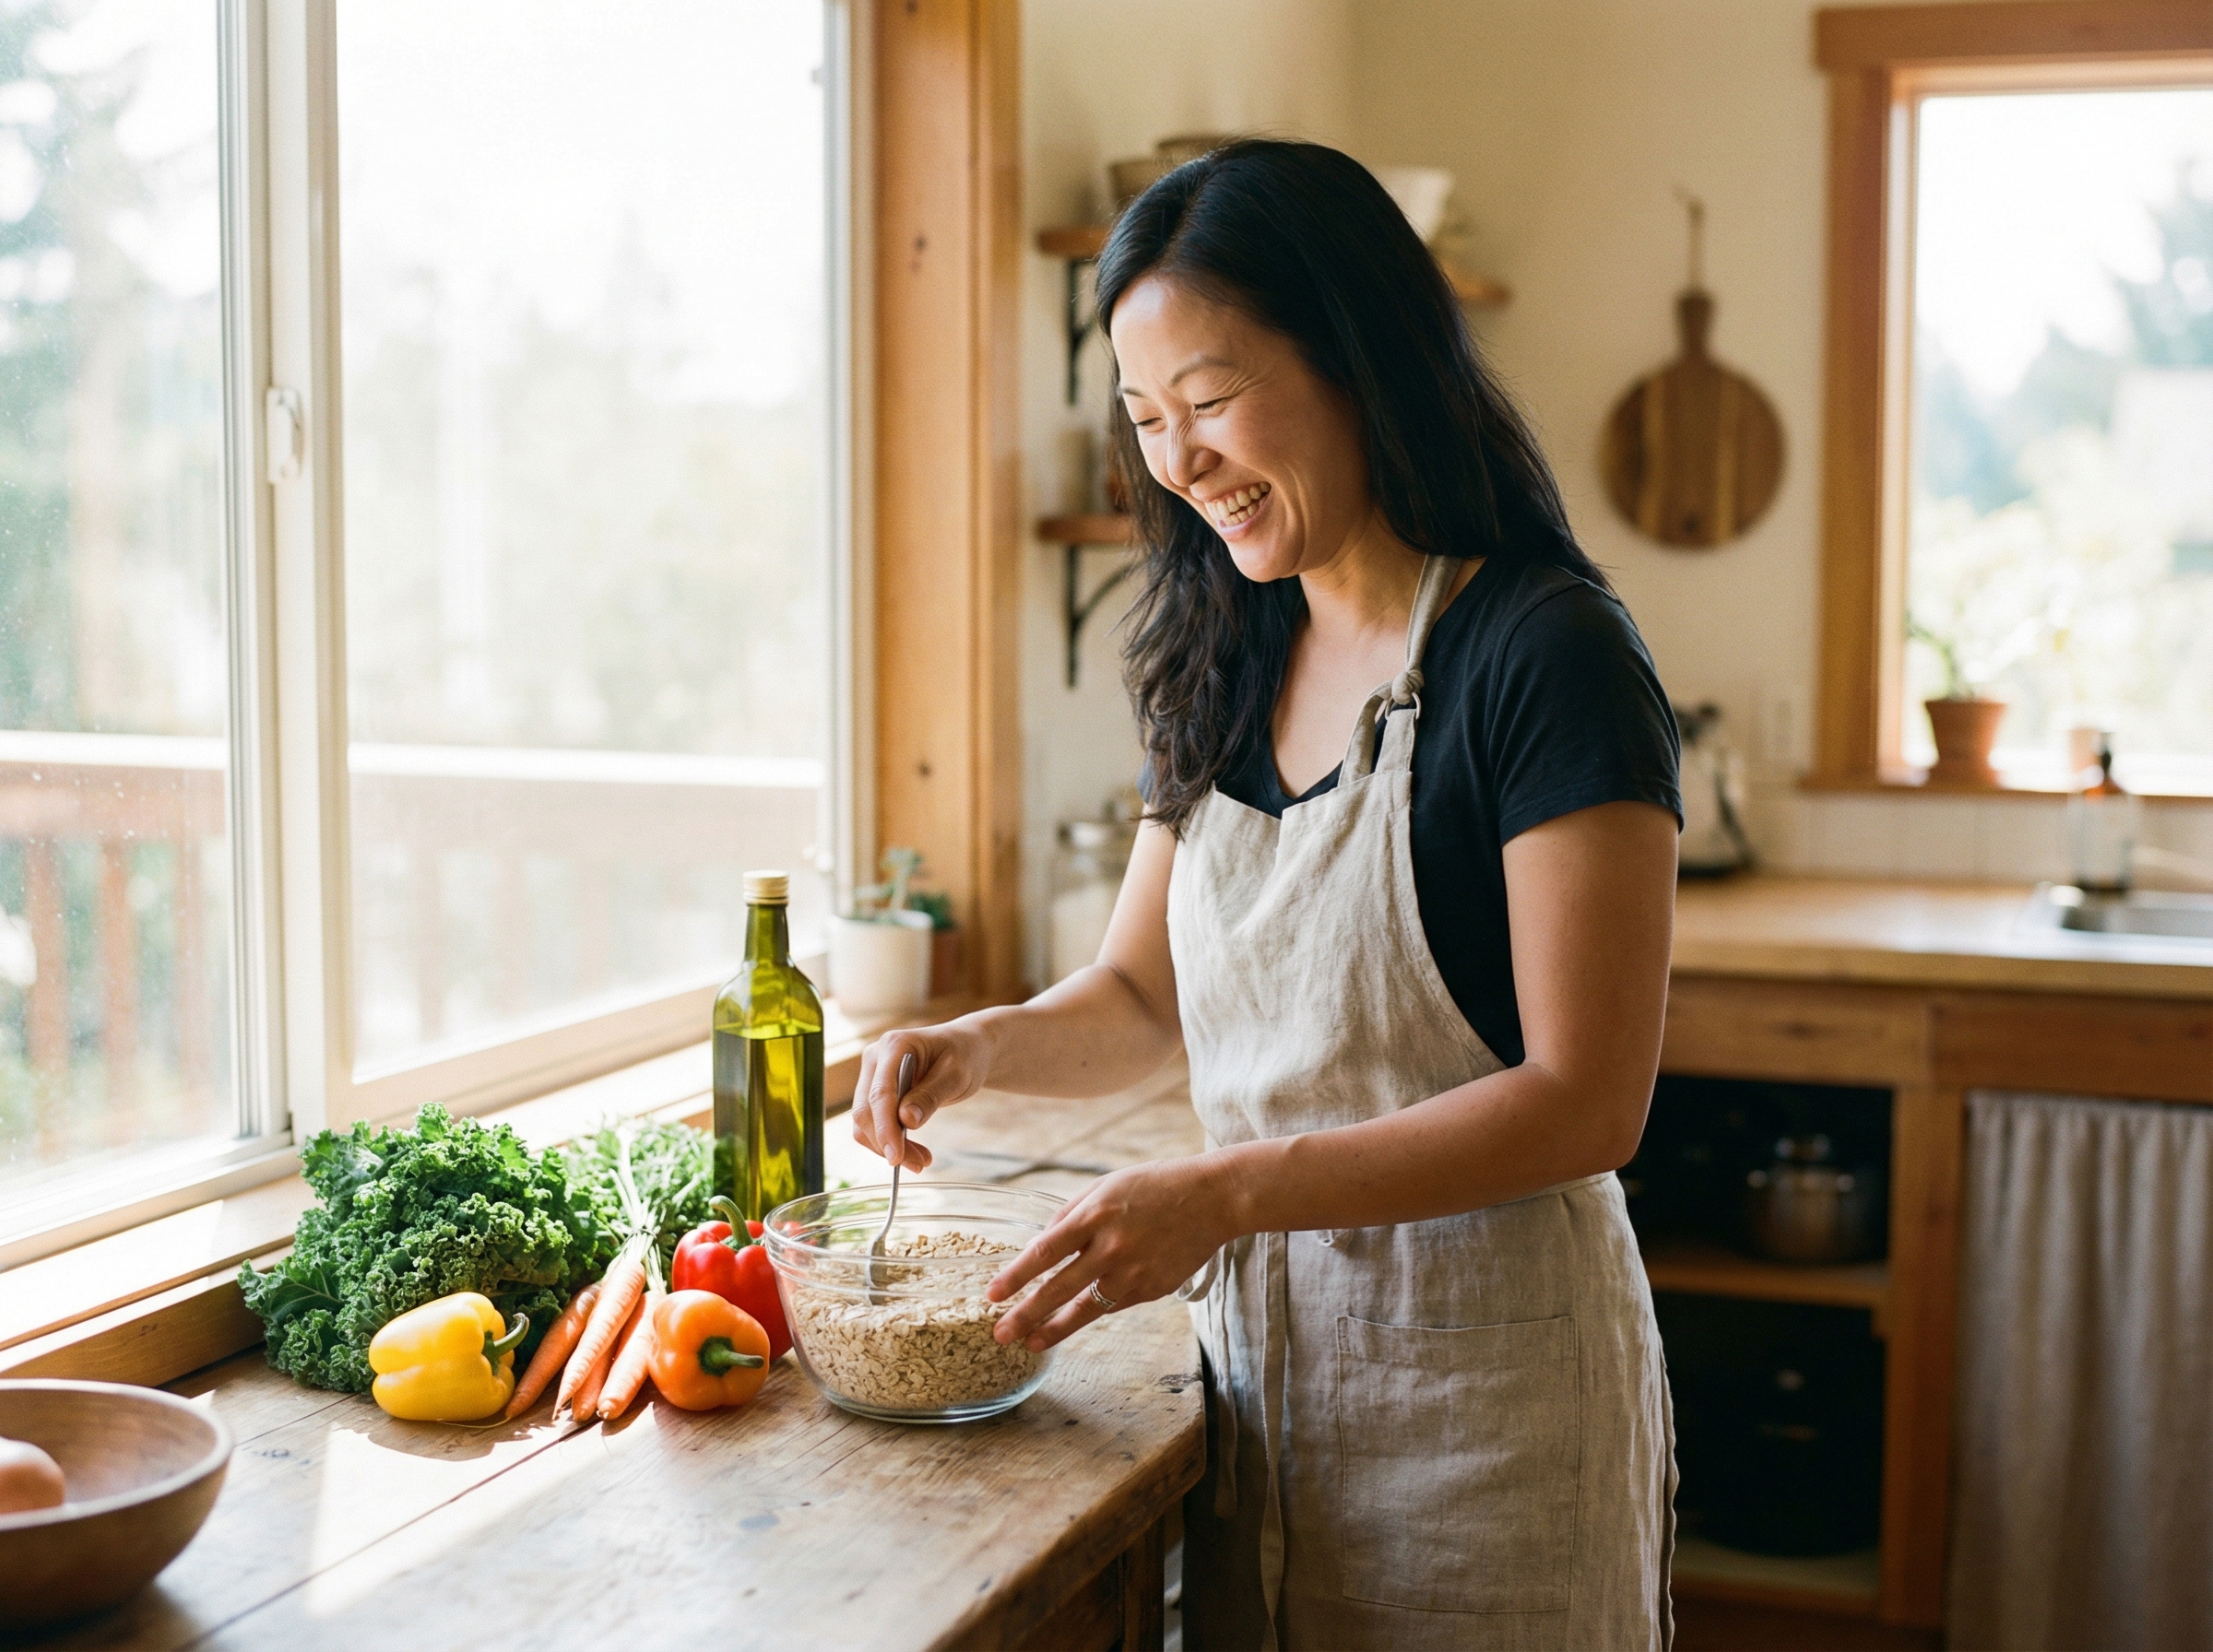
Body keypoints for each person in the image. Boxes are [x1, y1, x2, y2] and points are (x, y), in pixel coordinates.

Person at [854, 138, 1681, 1651]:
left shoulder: (1547, 656)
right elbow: (1137, 997)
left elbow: (1589, 1099)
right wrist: (982, 1049)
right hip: (1264, 1404)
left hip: (1493, 1416)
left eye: (1216, 401)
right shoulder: (1224, 655)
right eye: (1147, 418)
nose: (1181, 462)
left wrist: (1225, 1193)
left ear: (1360, 357)